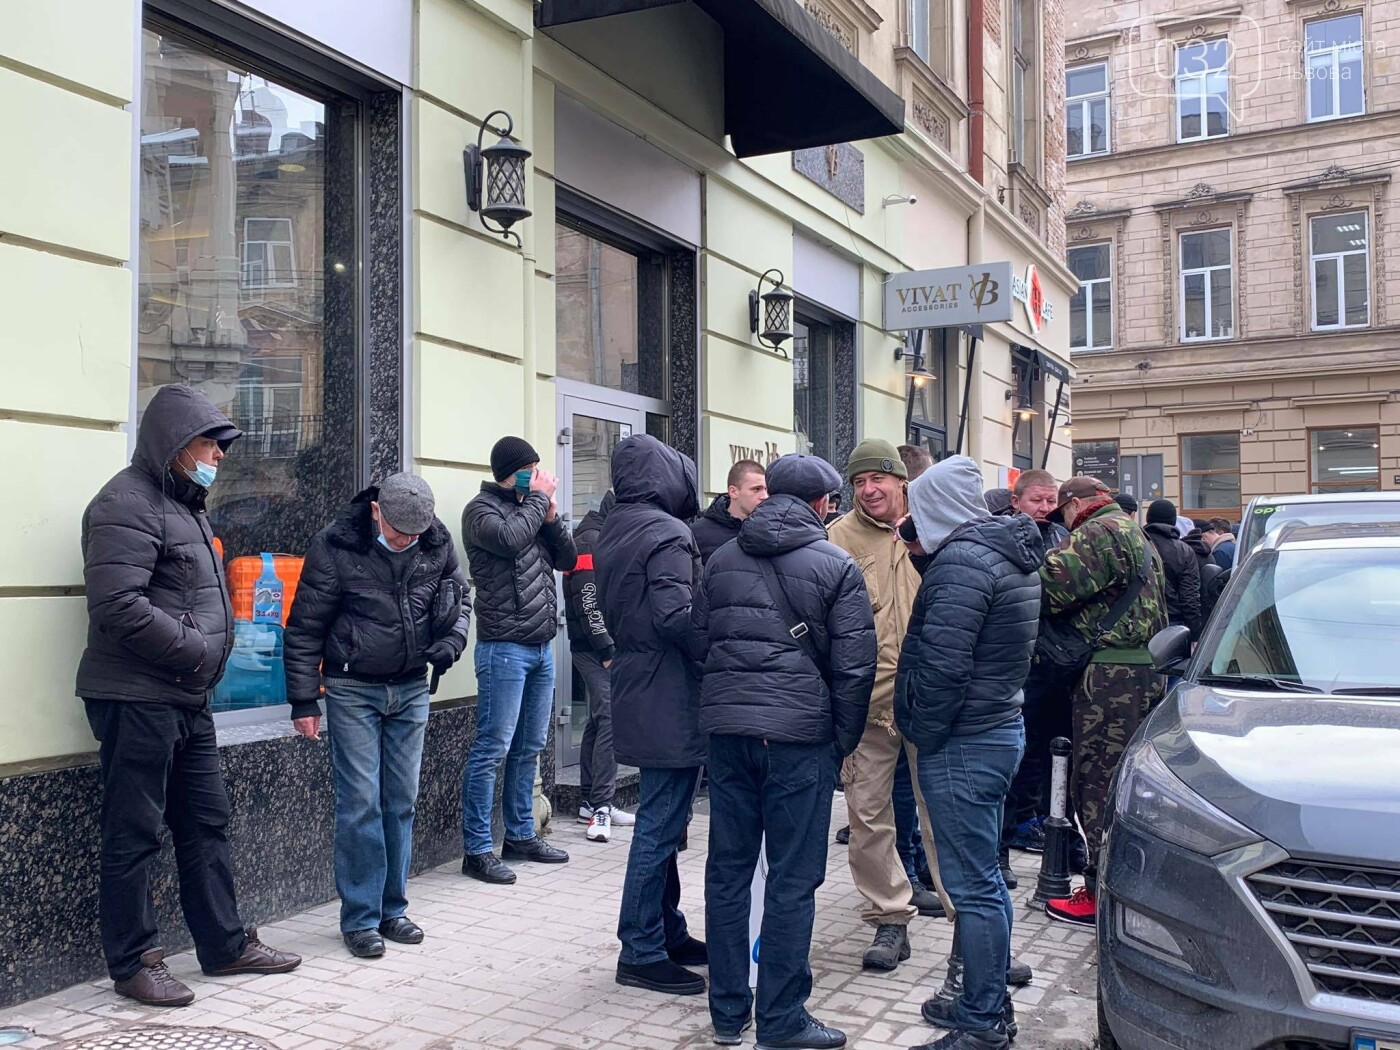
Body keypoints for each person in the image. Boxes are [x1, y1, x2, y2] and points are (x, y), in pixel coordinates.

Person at [77, 384, 301, 1007]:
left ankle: (225, 945)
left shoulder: (187, 505)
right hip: (138, 696)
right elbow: (119, 607)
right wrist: (200, 652)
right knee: (135, 832)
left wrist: (203, 659)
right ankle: (134, 961)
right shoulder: (125, 503)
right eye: (208, 442)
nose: (218, 456)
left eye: (220, 445)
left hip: (184, 696)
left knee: (206, 822)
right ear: (173, 444)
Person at [695, 453, 876, 1050]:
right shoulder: (837, 565)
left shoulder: (720, 558)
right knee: (793, 881)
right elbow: (855, 671)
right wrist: (839, 743)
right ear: (822, 503)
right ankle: (780, 1019)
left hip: (729, 735)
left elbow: (703, 641)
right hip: (799, 741)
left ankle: (726, 1013)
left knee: (727, 871)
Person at [285, 473, 471, 958]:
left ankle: (394, 910)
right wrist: (304, 699)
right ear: (375, 511)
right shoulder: (335, 545)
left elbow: (460, 596)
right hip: (352, 689)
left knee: (401, 800)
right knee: (361, 802)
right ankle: (361, 918)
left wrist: (452, 641)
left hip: (410, 687)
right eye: (396, 532)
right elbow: (305, 626)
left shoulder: (436, 541)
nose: (405, 541)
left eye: (413, 534)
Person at [895, 455, 1045, 1050]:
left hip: (963, 739)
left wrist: (922, 730)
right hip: (996, 726)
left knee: (975, 886)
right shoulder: (1007, 553)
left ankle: (983, 1023)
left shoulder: (962, 561)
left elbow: (945, 666)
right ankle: (983, 1002)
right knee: (984, 880)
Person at [826, 438, 952, 972]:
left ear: (902, 481)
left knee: (944, 816)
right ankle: (890, 920)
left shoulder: (937, 526)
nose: (870, 489)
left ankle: (970, 923)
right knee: (869, 818)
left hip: (932, 702)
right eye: (859, 482)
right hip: (869, 708)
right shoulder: (836, 539)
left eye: (878, 478)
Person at [594, 434, 709, 995]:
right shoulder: (668, 531)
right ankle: (640, 949)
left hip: (640, 683)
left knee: (663, 822)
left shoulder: (618, 525)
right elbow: (674, 615)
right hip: (669, 688)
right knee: (660, 827)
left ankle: (667, 930)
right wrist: (715, 644)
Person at [1040, 477, 1168, 927]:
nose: (1064, 525)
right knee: (1124, 781)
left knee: (1095, 782)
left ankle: (1099, 893)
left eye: (1063, 515)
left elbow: (1049, 588)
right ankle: (1124, 883)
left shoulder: (1097, 533)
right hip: (1143, 671)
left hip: (1111, 676)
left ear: (1076, 505)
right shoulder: (1136, 532)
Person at [460, 437, 578, 884]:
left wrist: (550, 519)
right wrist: (540, 501)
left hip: (540, 646)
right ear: (512, 470)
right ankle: (477, 849)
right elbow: (509, 541)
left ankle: (520, 835)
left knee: (529, 748)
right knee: (492, 749)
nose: (538, 472)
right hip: (503, 648)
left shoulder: (533, 509)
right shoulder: (480, 511)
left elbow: (566, 560)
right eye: (531, 466)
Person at [999, 469, 1072, 862]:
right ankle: (1005, 836)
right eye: (1036, 500)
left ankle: (1032, 821)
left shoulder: (1064, 539)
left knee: (1047, 751)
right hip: (1016, 663)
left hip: (1054, 664)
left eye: (1050, 501)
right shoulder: (1001, 538)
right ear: (1016, 501)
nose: (1045, 508)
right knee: (1017, 753)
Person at [563, 491, 634, 842]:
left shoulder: (602, 533)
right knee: (610, 717)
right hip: (594, 648)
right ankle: (602, 806)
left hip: (595, 645)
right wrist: (607, 646)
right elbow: (588, 600)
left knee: (598, 718)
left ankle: (590, 802)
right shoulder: (590, 539)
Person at [1143, 499, 1202, 640]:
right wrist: (1195, 635)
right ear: (1173, 521)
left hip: (1138, 620)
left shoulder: (1135, 543)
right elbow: (1190, 597)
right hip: (1172, 622)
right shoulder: (1183, 550)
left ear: (1148, 518)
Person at [693, 459, 768, 565]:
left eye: (766, 490)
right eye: (756, 489)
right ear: (733, 492)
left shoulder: (770, 531)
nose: (764, 496)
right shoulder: (699, 534)